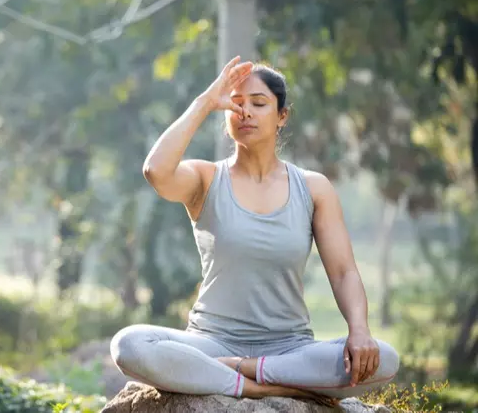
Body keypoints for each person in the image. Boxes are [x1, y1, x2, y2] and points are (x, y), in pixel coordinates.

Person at [109, 56, 400, 405]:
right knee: (128, 345)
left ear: (282, 116)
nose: (245, 111)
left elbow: (343, 272)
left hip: (289, 347)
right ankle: (258, 386)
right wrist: (205, 102)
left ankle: (250, 369)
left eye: (259, 104)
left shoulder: (313, 188)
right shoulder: (205, 179)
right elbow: (156, 171)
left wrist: (360, 331)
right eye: (235, 103)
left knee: (384, 358)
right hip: (212, 342)